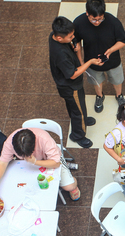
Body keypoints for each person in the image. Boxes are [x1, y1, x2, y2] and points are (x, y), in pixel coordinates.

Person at [0, 128, 81, 201]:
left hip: (49, 160)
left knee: (69, 186)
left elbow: (56, 163)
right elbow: (2, 162)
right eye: (21, 155)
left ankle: (72, 182)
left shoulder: (44, 139)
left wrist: (35, 162)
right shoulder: (10, 143)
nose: (23, 157)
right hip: (30, 163)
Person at [49, 16, 101, 149]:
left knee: (77, 107)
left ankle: (83, 119)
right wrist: (89, 62)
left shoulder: (54, 36)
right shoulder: (60, 54)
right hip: (70, 86)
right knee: (78, 110)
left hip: (70, 85)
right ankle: (78, 135)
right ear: (60, 38)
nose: (73, 38)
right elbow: (72, 74)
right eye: (70, 36)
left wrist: (74, 47)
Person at [73, 0, 125, 113]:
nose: (97, 22)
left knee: (117, 79)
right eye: (94, 19)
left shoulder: (113, 22)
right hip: (91, 60)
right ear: (87, 13)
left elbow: (123, 40)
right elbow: (77, 43)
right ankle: (99, 96)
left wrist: (111, 50)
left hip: (112, 59)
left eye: (100, 19)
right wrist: (81, 62)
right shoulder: (79, 23)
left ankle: (119, 96)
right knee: (96, 81)